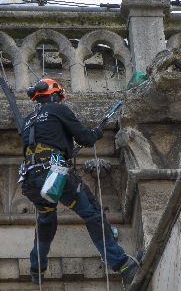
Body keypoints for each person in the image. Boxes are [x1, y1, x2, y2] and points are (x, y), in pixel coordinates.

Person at [20, 78, 140, 285]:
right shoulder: (59, 110)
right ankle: (122, 264)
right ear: (55, 95)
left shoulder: (28, 120)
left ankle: (36, 268)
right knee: (92, 213)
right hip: (54, 173)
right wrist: (96, 133)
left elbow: (46, 141)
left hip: (31, 178)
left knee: (46, 219)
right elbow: (85, 138)